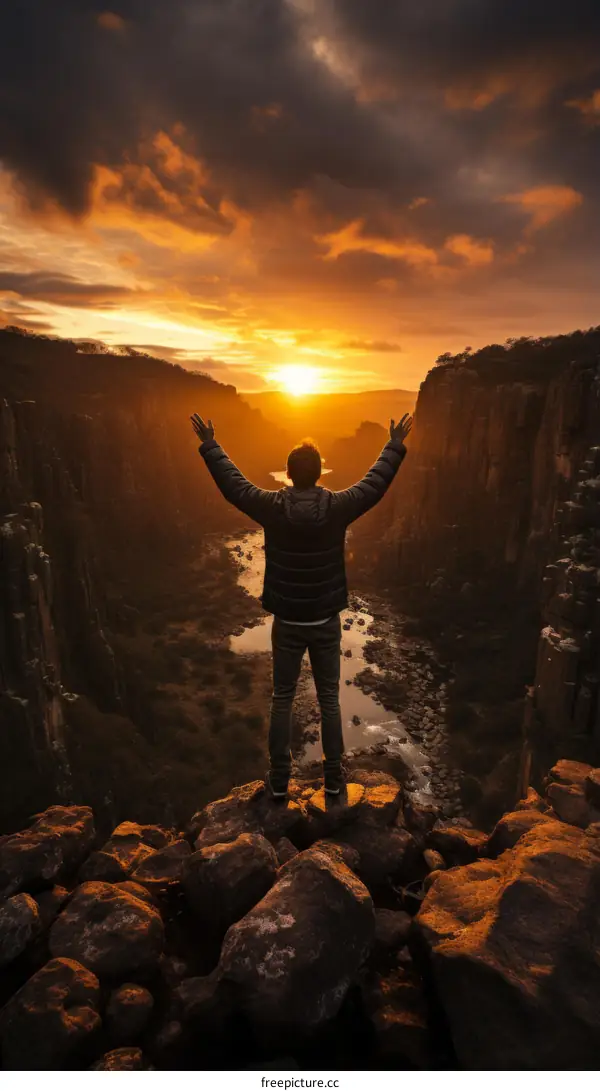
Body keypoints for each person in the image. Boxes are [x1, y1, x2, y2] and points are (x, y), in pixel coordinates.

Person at [191, 411, 412, 798]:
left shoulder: (271, 507)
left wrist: (211, 444)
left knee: (282, 697)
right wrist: (393, 444)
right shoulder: (339, 506)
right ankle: (333, 779)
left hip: (288, 621)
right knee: (329, 699)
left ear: (289, 475)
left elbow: (234, 486)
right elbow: (375, 485)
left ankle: (279, 779)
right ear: (319, 474)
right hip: (325, 620)